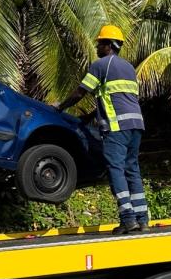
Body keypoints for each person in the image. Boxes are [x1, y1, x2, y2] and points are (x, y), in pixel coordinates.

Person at [54, 25, 149, 233]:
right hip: (136, 126)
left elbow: (80, 93)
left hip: (117, 128)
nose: (97, 47)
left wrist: (59, 107)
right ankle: (142, 220)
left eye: (99, 43)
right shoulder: (129, 68)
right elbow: (116, 99)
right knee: (132, 170)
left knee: (116, 169)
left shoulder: (101, 65)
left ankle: (128, 218)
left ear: (108, 45)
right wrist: (88, 117)